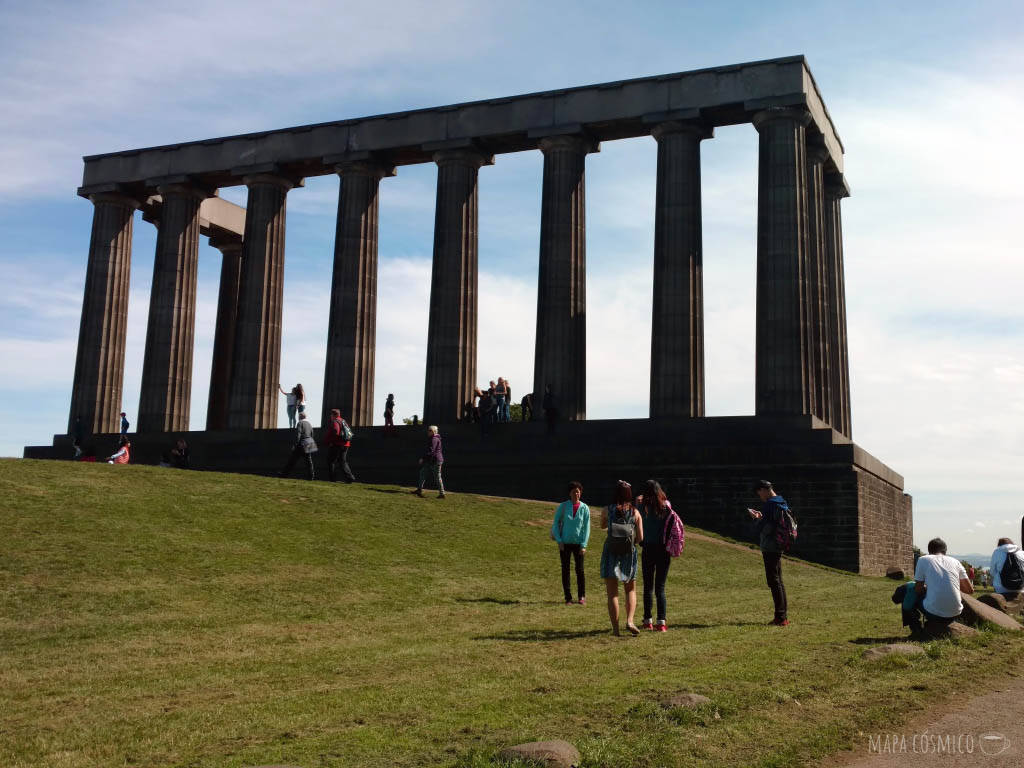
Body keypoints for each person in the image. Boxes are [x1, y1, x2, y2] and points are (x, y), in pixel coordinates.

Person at [901, 537, 973, 635]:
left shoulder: (923, 559)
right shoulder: (956, 562)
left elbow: (918, 589)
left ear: (929, 550)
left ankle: (916, 628)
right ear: (945, 551)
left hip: (934, 613)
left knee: (908, 591)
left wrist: (928, 588)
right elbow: (969, 590)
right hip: (955, 613)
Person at [600, 480, 644, 636]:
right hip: (628, 554)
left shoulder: (607, 509)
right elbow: (640, 537)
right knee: (630, 589)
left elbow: (602, 525)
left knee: (612, 593)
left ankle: (616, 629)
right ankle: (630, 621)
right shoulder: (635, 513)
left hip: (611, 552)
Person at [747, 479, 789, 626]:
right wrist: (762, 517)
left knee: (773, 581)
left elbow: (766, 528)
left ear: (763, 490)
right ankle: (782, 615)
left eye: (759, 494)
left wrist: (756, 519)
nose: (760, 497)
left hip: (770, 546)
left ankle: (780, 617)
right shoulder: (781, 502)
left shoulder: (770, 505)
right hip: (778, 544)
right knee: (779, 580)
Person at [637, 479, 675, 631]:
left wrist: (637, 502)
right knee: (661, 587)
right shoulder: (666, 507)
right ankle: (662, 622)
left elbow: (637, 524)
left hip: (648, 548)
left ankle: (647, 620)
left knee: (648, 586)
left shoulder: (642, 507)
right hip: (663, 549)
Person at [551, 481, 591, 605]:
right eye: (574, 492)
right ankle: (568, 597)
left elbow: (587, 527)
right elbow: (555, 523)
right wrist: (559, 540)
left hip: (579, 544)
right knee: (565, 570)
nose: (576, 494)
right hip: (565, 543)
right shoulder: (563, 506)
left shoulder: (585, 508)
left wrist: (584, 545)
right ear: (570, 493)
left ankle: (581, 596)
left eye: (578, 492)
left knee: (580, 570)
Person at [280, 411, 316, 480]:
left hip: (302, 443)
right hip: (309, 442)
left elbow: (298, 434)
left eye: (298, 416)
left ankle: (284, 474)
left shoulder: (300, 423)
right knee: (309, 462)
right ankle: (311, 476)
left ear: (300, 417)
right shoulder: (309, 424)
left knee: (292, 460)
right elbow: (312, 434)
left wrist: (295, 444)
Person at [324, 408, 356, 483]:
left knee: (331, 461)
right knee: (342, 461)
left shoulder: (335, 421)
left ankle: (333, 478)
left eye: (331, 415)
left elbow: (336, 431)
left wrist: (330, 441)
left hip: (337, 444)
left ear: (333, 415)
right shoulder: (343, 421)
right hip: (346, 444)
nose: (330, 416)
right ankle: (350, 477)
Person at [413, 426, 445, 498]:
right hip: (432, 460)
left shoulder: (434, 439)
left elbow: (431, 451)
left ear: (434, 431)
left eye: (430, 430)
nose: (428, 431)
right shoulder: (435, 438)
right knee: (423, 473)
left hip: (435, 460)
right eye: (428, 430)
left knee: (437, 476)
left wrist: (422, 458)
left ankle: (442, 493)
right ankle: (419, 489)